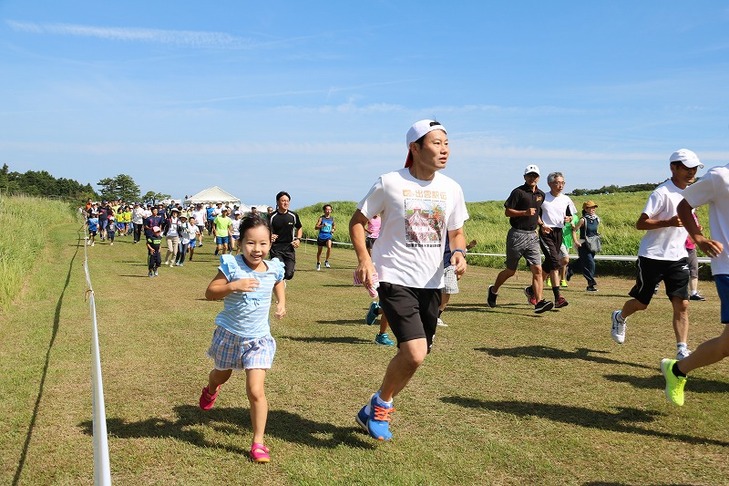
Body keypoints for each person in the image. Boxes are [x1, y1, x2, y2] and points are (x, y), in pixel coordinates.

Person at [349, 119, 468, 441]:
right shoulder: (389, 183)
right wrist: (364, 259)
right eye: (436, 143)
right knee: (414, 352)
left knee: (418, 354)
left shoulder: (451, 188)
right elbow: (358, 222)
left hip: (431, 283)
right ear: (414, 148)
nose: (444, 149)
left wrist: (459, 252)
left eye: (447, 143)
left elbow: (456, 231)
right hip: (394, 277)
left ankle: (375, 404)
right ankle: (382, 407)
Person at [198, 216, 286, 462]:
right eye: (250, 243)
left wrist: (281, 303)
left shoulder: (274, 267)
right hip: (229, 335)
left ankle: (258, 442)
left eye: (262, 244)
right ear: (240, 243)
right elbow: (210, 293)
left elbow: (278, 282)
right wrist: (233, 286)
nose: (256, 249)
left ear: (270, 243)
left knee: (255, 390)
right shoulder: (232, 266)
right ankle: (211, 389)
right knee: (221, 374)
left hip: (258, 339)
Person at [610, 149, 703, 361]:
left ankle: (682, 350)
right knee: (642, 303)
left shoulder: (692, 193)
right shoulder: (661, 193)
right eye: (687, 168)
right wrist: (667, 222)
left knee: (683, 304)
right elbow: (640, 223)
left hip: (678, 256)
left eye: (695, 168)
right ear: (673, 168)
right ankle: (620, 316)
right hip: (652, 256)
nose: (692, 172)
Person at [661, 158, 729, 406]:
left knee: (726, 345)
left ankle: (677, 370)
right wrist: (699, 237)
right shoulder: (720, 177)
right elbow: (683, 206)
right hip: (728, 266)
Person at [486, 164, 554, 314]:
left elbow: (536, 215)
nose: (532, 178)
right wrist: (524, 212)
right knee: (510, 271)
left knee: (537, 269)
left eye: (535, 176)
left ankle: (539, 302)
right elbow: (507, 212)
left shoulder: (540, 195)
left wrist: (542, 225)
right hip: (517, 235)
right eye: (530, 175)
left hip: (532, 236)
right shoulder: (518, 192)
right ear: (525, 177)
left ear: (539, 178)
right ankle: (493, 290)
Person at [538, 172, 577, 308]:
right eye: (557, 183)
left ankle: (532, 289)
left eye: (562, 183)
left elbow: (571, 215)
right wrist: (542, 225)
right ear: (550, 184)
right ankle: (558, 298)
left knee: (549, 264)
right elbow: (536, 215)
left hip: (559, 233)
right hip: (546, 233)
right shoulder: (543, 197)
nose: (560, 185)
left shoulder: (566, 199)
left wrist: (569, 219)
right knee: (555, 263)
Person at [567, 201, 602, 292]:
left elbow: (595, 231)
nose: (593, 209)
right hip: (583, 244)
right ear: (585, 209)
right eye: (591, 207)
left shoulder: (597, 219)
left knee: (583, 262)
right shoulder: (583, 220)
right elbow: (574, 230)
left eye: (594, 207)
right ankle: (591, 283)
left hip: (593, 243)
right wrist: (575, 241)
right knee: (590, 263)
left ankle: (571, 268)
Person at [268, 191, 303, 281]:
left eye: (287, 201)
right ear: (277, 202)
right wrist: (269, 236)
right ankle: (279, 286)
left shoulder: (293, 216)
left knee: (289, 274)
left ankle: (282, 281)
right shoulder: (272, 216)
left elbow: (299, 228)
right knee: (279, 270)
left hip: (289, 248)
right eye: (283, 200)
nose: (285, 203)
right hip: (276, 248)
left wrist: (298, 239)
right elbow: (265, 230)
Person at [685, 212, 706, 301]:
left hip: (691, 246)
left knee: (694, 269)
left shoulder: (695, 215)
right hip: (681, 246)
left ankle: (694, 293)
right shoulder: (683, 213)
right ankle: (654, 287)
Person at [559, 213, 579, 287]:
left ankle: (562, 279)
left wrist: (573, 227)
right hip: (558, 241)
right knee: (565, 258)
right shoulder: (560, 214)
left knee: (563, 262)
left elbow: (576, 230)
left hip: (567, 242)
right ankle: (552, 276)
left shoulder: (575, 218)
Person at [315, 204, 336, 270]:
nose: (328, 211)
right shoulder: (321, 218)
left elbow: (334, 226)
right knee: (319, 252)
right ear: (324, 210)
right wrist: (322, 225)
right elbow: (316, 227)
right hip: (321, 236)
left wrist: (333, 229)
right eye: (327, 209)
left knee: (329, 247)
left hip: (328, 235)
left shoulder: (332, 219)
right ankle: (318, 263)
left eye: (330, 209)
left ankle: (326, 261)